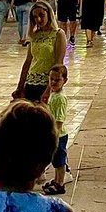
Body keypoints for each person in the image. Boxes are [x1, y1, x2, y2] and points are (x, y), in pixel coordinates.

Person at [13, 2, 67, 103]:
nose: (38, 19)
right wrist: (20, 87)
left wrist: (48, 90)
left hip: (47, 82)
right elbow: (28, 62)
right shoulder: (34, 35)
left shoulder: (59, 34)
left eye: (41, 15)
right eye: (35, 17)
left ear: (48, 14)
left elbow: (58, 63)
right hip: (31, 82)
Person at [42, 64, 72, 194]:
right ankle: (56, 180)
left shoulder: (60, 98)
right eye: (51, 79)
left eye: (57, 80)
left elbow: (59, 120)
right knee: (55, 160)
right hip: (54, 132)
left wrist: (54, 134)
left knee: (60, 162)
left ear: (64, 81)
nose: (53, 82)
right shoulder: (54, 94)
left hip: (59, 135)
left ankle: (60, 183)